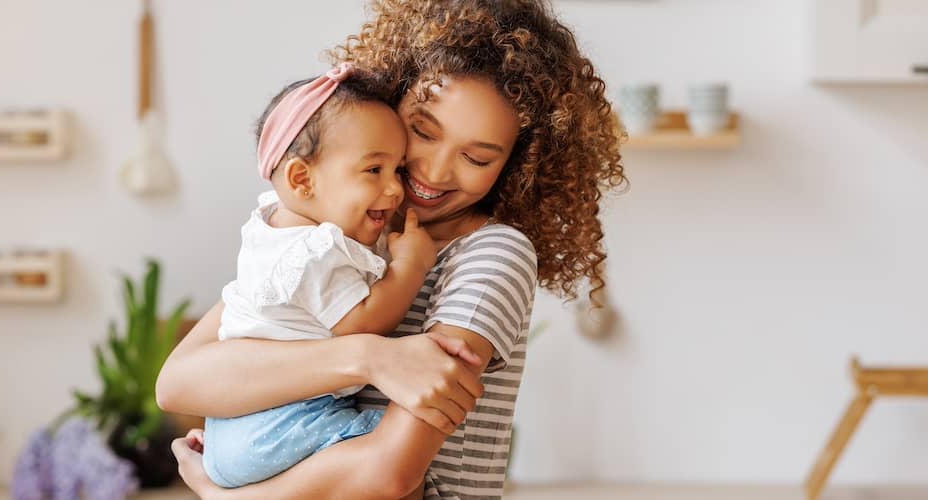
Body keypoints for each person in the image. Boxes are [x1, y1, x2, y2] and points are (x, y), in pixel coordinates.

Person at [157, 1, 625, 498]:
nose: (436, 171)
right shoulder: (341, 232)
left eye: (476, 156)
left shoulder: (492, 256)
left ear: (516, 165)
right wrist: (367, 356)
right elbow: (180, 383)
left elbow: (390, 472)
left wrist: (224, 495)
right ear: (392, 101)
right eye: (423, 131)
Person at [202, 63, 444, 488]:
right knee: (390, 454)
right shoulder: (311, 253)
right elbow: (363, 324)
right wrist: (411, 266)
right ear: (302, 179)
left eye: (398, 170)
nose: (394, 189)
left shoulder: (274, 228)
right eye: (374, 170)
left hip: (236, 426)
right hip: (278, 424)